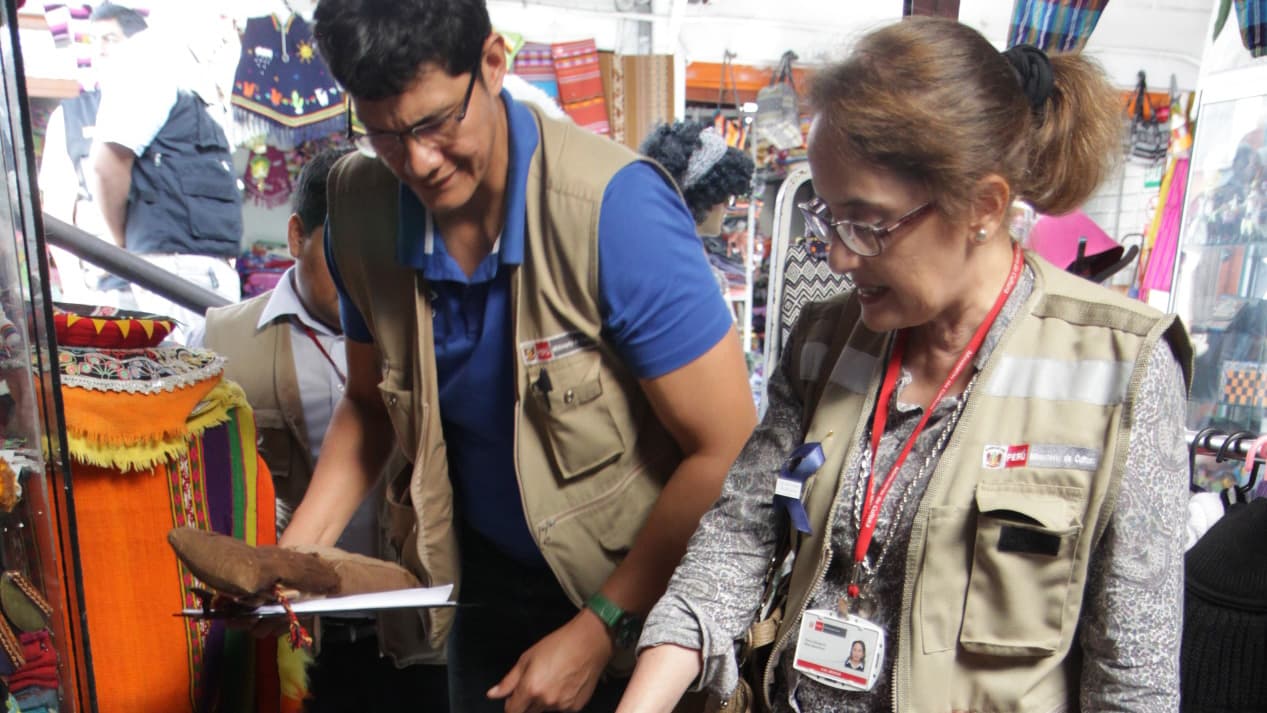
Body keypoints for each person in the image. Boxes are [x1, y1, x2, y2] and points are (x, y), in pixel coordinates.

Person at [620, 17, 1191, 713]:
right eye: (828, 218)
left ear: (980, 206)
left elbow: (1133, 681)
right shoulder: (824, 343)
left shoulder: (1121, 370)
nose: (836, 255)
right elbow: (734, 543)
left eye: (867, 223)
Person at [280, 2, 757, 713]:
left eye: (435, 122)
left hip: (640, 590)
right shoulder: (359, 207)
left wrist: (601, 626)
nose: (416, 162)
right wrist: (293, 561)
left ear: (493, 63)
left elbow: (724, 447)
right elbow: (367, 404)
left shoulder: (613, 209)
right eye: (382, 132)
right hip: (483, 589)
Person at [193, 146, 448, 712]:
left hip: (414, 639)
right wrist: (272, 577)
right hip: (300, 642)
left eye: (374, 261)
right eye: (341, 258)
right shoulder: (221, 344)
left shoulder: (426, 336)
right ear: (296, 237)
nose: (360, 282)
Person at [87, 0, 243, 340]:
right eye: (225, 18)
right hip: (174, 267)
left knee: (211, 385)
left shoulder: (193, 66)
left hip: (189, 264)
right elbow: (107, 164)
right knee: (190, 385)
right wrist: (123, 245)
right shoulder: (154, 55)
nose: (230, 32)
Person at [38, 2, 147, 305]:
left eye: (110, 39)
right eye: (92, 41)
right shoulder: (69, 117)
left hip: (166, 277)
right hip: (103, 287)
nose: (98, 50)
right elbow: (57, 214)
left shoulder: (170, 108)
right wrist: (76, 290)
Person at [640, 120, 754, 301]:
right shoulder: (682, 273)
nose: (727, 206)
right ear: (700, 196)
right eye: (723, 196)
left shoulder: (663, 254)